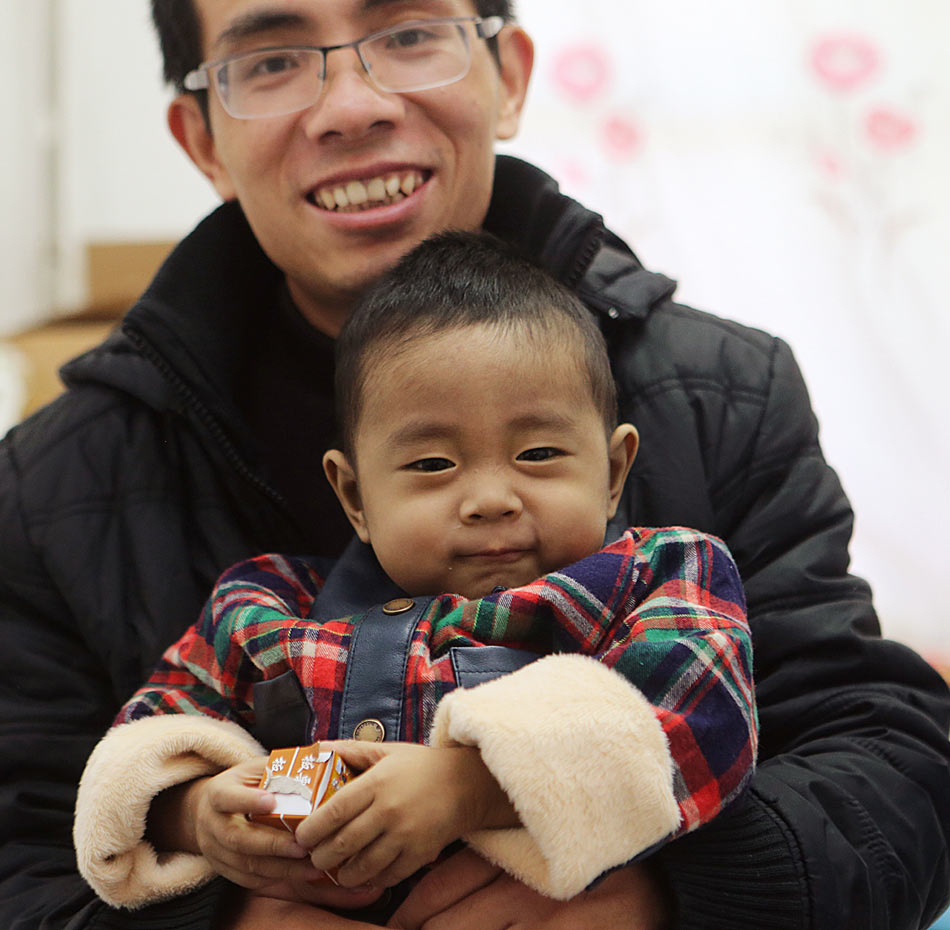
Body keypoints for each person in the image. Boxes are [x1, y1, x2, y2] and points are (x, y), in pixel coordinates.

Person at [0, 0, 947, 927]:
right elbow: (40, 832)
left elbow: (886, 764)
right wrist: (218, 894)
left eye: (409, 34)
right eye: (273, 60)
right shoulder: (56, 490)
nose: (352, 105)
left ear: (511, 77)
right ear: (201, 138)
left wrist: (665, 898)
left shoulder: (720, 413)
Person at [72, 231, 756, 918]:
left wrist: (471, 786)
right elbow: (144, 740)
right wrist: (194, 816)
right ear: (356, 497)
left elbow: (701, 729)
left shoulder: (654, 577)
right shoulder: (264, 605)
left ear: (612, 473)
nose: (491, 498)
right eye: (433, 465)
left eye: (539, 452)